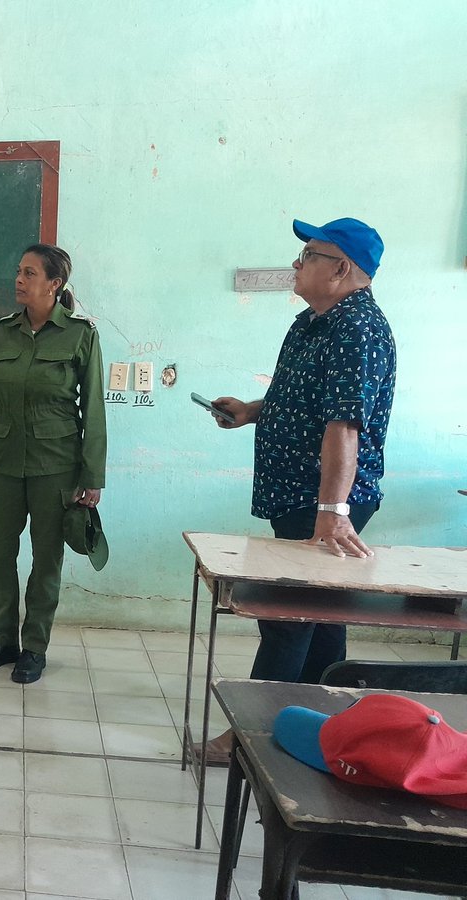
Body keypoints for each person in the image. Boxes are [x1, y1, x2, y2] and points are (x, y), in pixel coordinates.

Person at [201, 216, 396, 764]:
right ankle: (317, 729)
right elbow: (303, 401)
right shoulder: (314, 323)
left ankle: (249, 740)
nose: (297, 262)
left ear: (341, 269)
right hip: (301, 498)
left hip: (322, 502)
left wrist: (332, 511)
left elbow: (345, 426)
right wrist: (251, 411)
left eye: (309, 254)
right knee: (320, 619)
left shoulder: (356, 329)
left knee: (289, 620)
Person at [0, 243, 107, 684]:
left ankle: (34, 648)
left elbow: (93, 410)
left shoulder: (80, 335)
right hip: (4, 463)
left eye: (29, 273)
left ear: (54, 284)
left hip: (56, 467)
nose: (19, 280)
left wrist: (92, 476)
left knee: (46, 561)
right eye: (18, 271)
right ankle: (1, 641)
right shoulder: (1, 332)